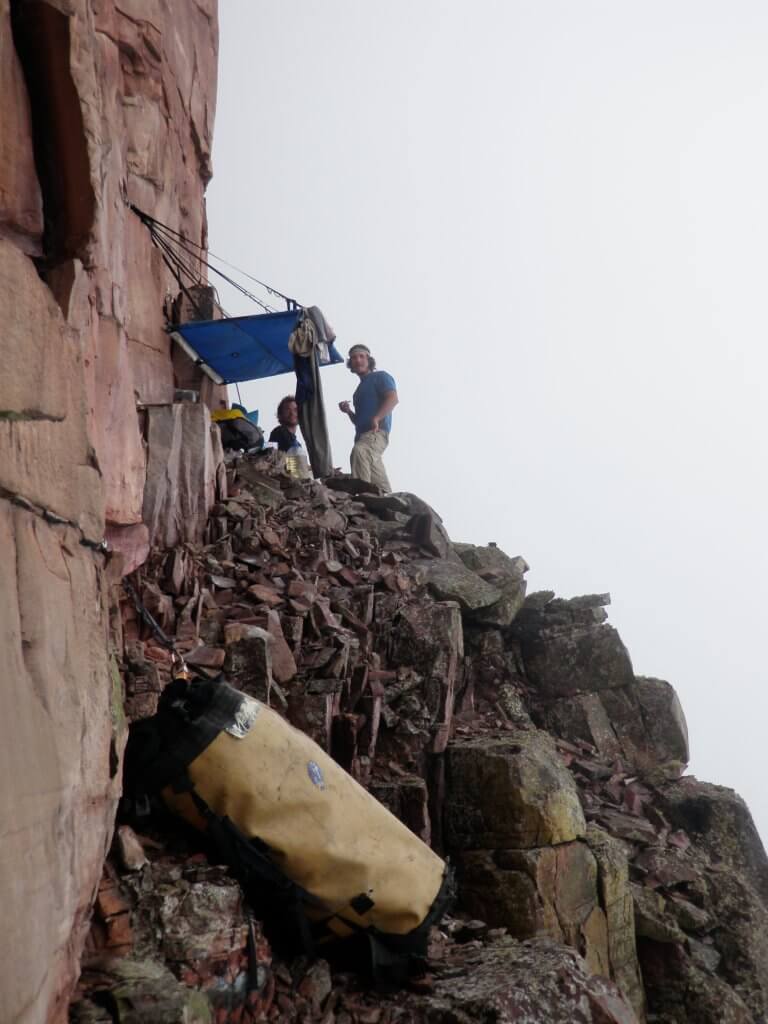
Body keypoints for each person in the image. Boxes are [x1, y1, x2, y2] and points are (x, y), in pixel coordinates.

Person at [338, 344, 398, 492]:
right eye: (353, 358)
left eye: (361, 356)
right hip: (363, 435)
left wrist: (377, 418)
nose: (357, 360)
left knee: (360, 452)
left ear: (369, 360)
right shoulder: (357, 392)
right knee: (377, 478)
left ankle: (363, 497)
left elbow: (392, 398)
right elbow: (359, 422)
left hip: (376, 433)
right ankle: (390, 507)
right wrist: (349, 412)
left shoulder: (381, 376)